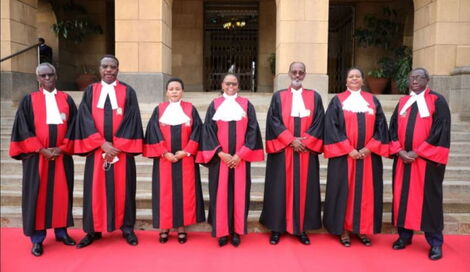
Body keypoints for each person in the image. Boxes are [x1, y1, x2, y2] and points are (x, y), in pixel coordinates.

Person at [69, 55, 144, 248]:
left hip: (122, 153)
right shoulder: (90, 91)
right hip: (97, 152)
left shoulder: (128, 91)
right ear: (99, 69)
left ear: (118, 69)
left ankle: (127, 228)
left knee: (124, 190)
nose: (109, 70)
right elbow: (84, 119)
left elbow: (132, 119)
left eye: (112, 67)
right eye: (105, 66)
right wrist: (101, 143)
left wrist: (116, 146)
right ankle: (93, 230)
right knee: (95, 192)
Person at [9, 63, 77, 256]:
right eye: (43, 75)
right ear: (37, 78)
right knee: (37, 196)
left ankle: (62, 232)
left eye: (51, 75)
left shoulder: (66, 99)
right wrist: (41, 149)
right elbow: (23, 129)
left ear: (56, 75)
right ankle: (37, 239)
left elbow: (74, 128)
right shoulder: (28, 100)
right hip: (36, 158)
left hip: (61, 157)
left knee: (62, 194)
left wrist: (62, 148)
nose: (48, 78)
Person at [322, 67, 389, 247]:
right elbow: (331, 127)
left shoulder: (372, 101)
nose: (354, 79)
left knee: (367, 194)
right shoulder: (337, 101)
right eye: (350, 76)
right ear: (345, 81)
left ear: (362, 80)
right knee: (344, 192)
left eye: (357, 76)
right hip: (344, 157)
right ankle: (343, 229)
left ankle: (362, 229)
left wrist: (370, 148)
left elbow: (382, 127)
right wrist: (348, 148)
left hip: (369, 157)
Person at [259, 62, 324, 245]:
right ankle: (276, 228)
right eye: (294, 72)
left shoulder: (314, 97)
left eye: (300, 72)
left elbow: (319, 121)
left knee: (306, 190)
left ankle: (301, 228)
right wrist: (290, 140)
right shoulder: (279, 97)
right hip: (283, 151)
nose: (297, 75)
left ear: (305, 74)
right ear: (288, 73)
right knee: (279, 189)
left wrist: (306, 142)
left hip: (306, 151)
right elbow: (274, 121)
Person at [389, 68, 451, 260]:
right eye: (411, 77)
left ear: (427, 80)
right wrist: (399, 150)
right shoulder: (402, 102)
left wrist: (418, 152)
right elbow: (392, 129)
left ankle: (435, 243)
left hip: (427, 163)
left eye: (419, 77)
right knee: (402, 198)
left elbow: (441, 132)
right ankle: (404, 237)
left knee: (429, 202)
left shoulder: (437, 101)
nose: (414, 80)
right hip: (403, 161)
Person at [197, 73, 264, 247]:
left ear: (238, 86)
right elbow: (208, 131)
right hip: (221, 160)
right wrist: (220, 153)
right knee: (220, 195)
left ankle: (236, 232)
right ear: (222, 85)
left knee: (239, 195)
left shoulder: (246, 105)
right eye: (228, 84)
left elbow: (252, 130)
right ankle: (222, 231)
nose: (231, 87)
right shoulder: (215, 105)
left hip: (240, 160)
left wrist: (239, 155)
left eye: (234, 84)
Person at [143, 78, 205, 244]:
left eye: (178, 88)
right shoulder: (160, 110)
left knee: (184, 194)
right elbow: (153, 133)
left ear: (182, 91)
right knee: (165, 194)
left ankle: (181, 228)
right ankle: (164, 227)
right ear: (167, 92)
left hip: (186, 160)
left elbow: (198, 132)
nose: (175, 91)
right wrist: (164, 153)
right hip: (164, 161)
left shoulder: (190, 109)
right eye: (171, 89)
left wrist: (186, 152)